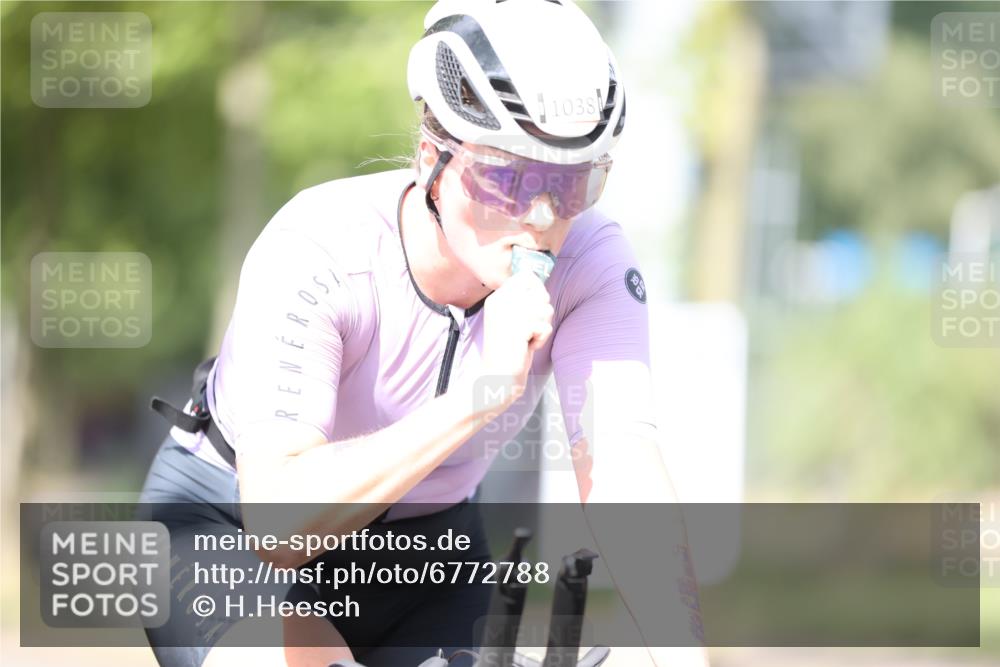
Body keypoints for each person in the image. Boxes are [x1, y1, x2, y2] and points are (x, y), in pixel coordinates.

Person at [143, 1, 709, 666]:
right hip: (227, 528)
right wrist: (479, 393)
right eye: (506, 176)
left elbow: (621, 468)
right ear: (429, 158)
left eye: (572, 181)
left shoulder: (592, 261)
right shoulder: (320, 248)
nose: (541, 214)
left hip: (426, 552)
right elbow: (278, 522)